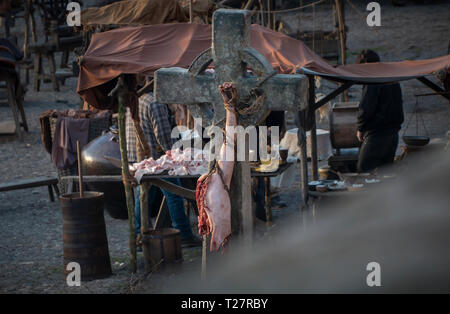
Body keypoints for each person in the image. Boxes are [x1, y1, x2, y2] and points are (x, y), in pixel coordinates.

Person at [125, 78, 200, 248]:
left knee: (144, 193)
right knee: (174, 193)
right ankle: (184, 235)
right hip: (154, 159)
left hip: (139, 158)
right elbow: (164, 137)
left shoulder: (139, 98)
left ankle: (138, 233)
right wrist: (178, 153)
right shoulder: (155, 102)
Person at [355, 49, 404, 172]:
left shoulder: (372, 79)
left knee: (364, 170)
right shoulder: (392, 78)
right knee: (385, 172)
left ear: (365, 66)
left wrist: (360, 128)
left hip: (377, 134)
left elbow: (366, 107)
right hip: (393, 133)